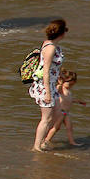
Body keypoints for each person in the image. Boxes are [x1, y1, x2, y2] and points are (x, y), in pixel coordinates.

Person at [30, 19, 68, 152]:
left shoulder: (53, 45)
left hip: (52, 84)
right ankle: (36, 146)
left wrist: (60, 76)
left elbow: (53, 67)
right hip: (46, 86)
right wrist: (47, 92)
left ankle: (44, 141)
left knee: (57, 113)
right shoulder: (50, 48)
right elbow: (45, 70)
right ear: (61, 33)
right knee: (46, 118)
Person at [43, 69, 83, 147]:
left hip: (66, 113)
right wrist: (60, 84)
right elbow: (57, 91)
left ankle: (72, 142)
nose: (70, 86)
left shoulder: (68, 91)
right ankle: (46, 140)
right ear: (63, 81)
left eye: (72, 85)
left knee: (69, 127)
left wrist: (77, 101)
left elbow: (68, 100)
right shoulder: (61, 88)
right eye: (69, 84)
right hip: (60, 112)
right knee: (56, 127)